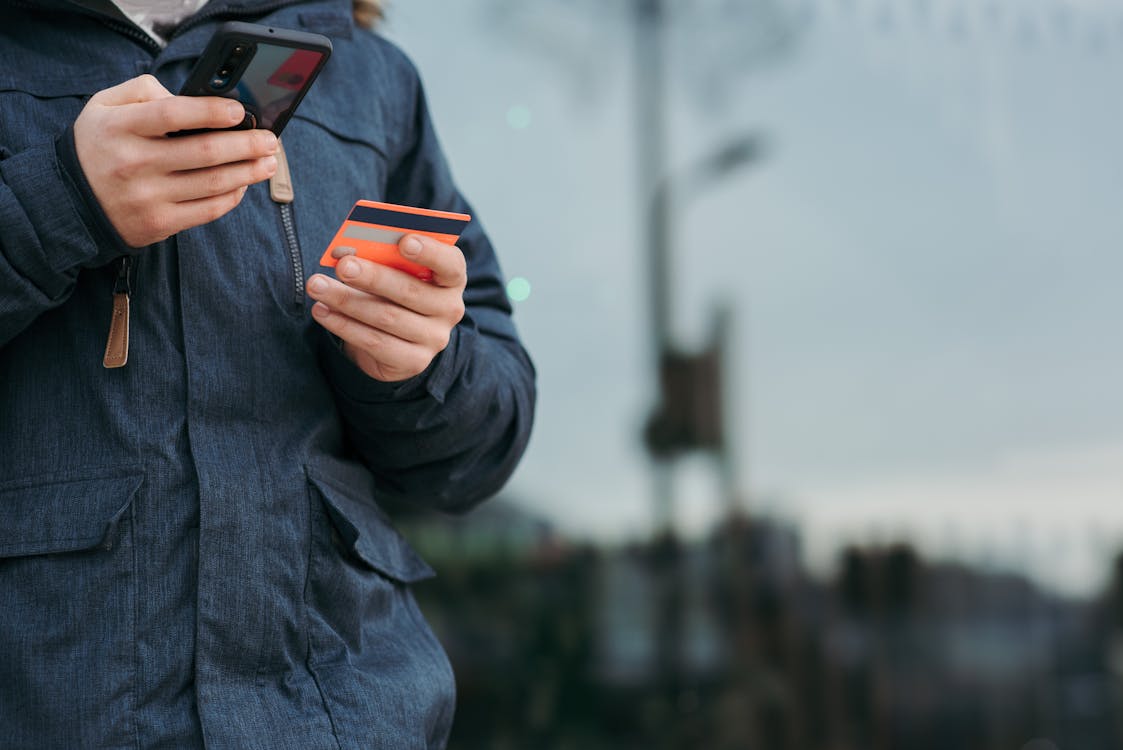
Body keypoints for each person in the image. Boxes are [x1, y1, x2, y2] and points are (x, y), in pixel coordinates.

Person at [0, 1, 536, 748]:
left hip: (350, 720)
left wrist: (415, 365)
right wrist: (56, 203)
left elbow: (479, 454)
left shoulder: (370, 76)